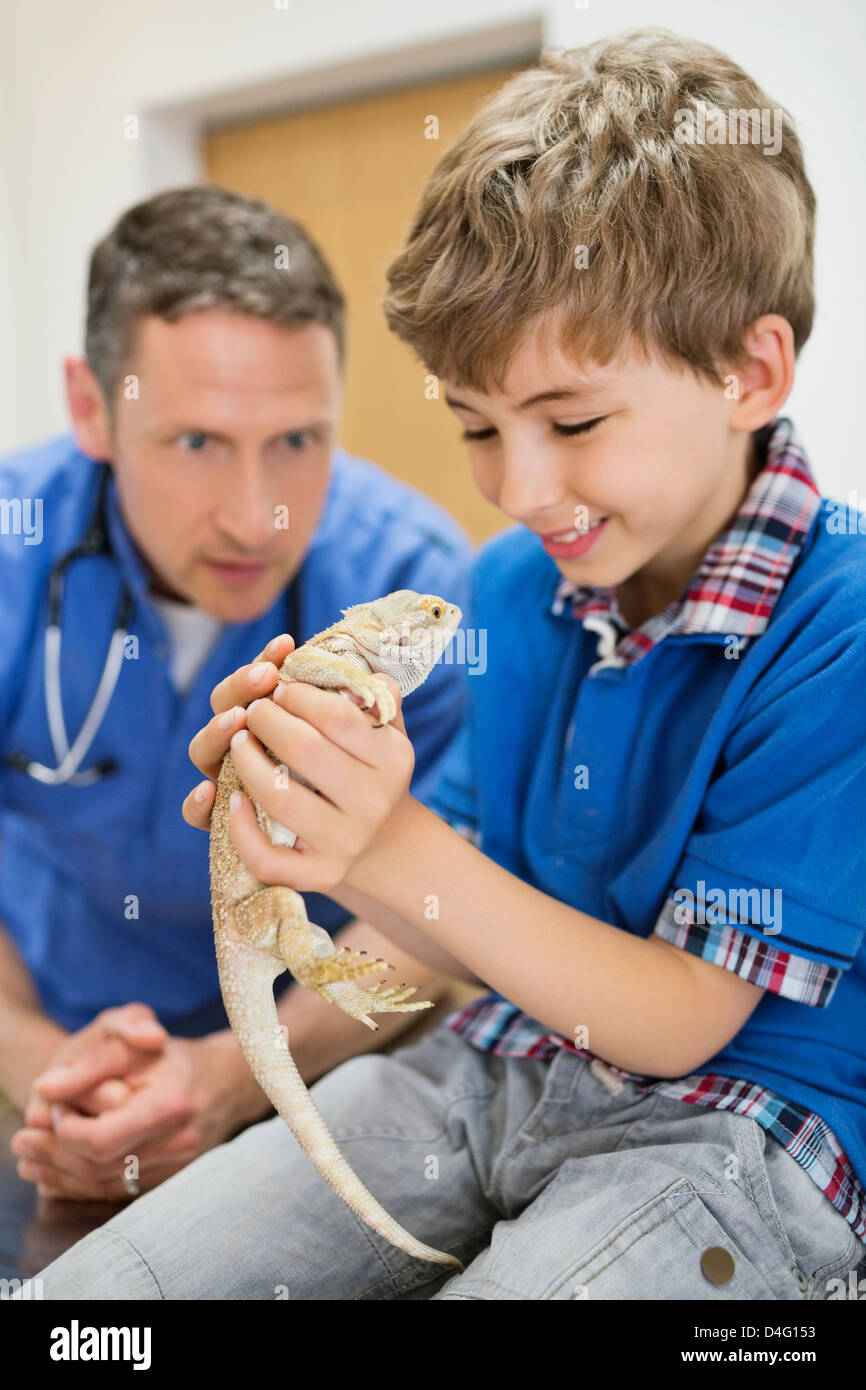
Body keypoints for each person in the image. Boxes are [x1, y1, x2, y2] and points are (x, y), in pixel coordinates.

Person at [25, 30, 866, 1300]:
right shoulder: (511, 589)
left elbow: (684, 1018)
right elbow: (441, 933)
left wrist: (388, 844)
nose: (516, 489)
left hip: (735, 1127)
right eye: (475, 426)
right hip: (494, 1066)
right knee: (95, 1304)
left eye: (571, 421)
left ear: (748, 370)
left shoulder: (836, 623)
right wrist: (303, 830)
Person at [0, 186, 473, 1205]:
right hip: (38, 1033)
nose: (256, 518)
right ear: (91, 407)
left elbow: (437, 916)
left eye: (298, 442)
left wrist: (236, 1076)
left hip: (312, 1050)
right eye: (197, 442)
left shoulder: (417, 594)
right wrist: (39, 1064)